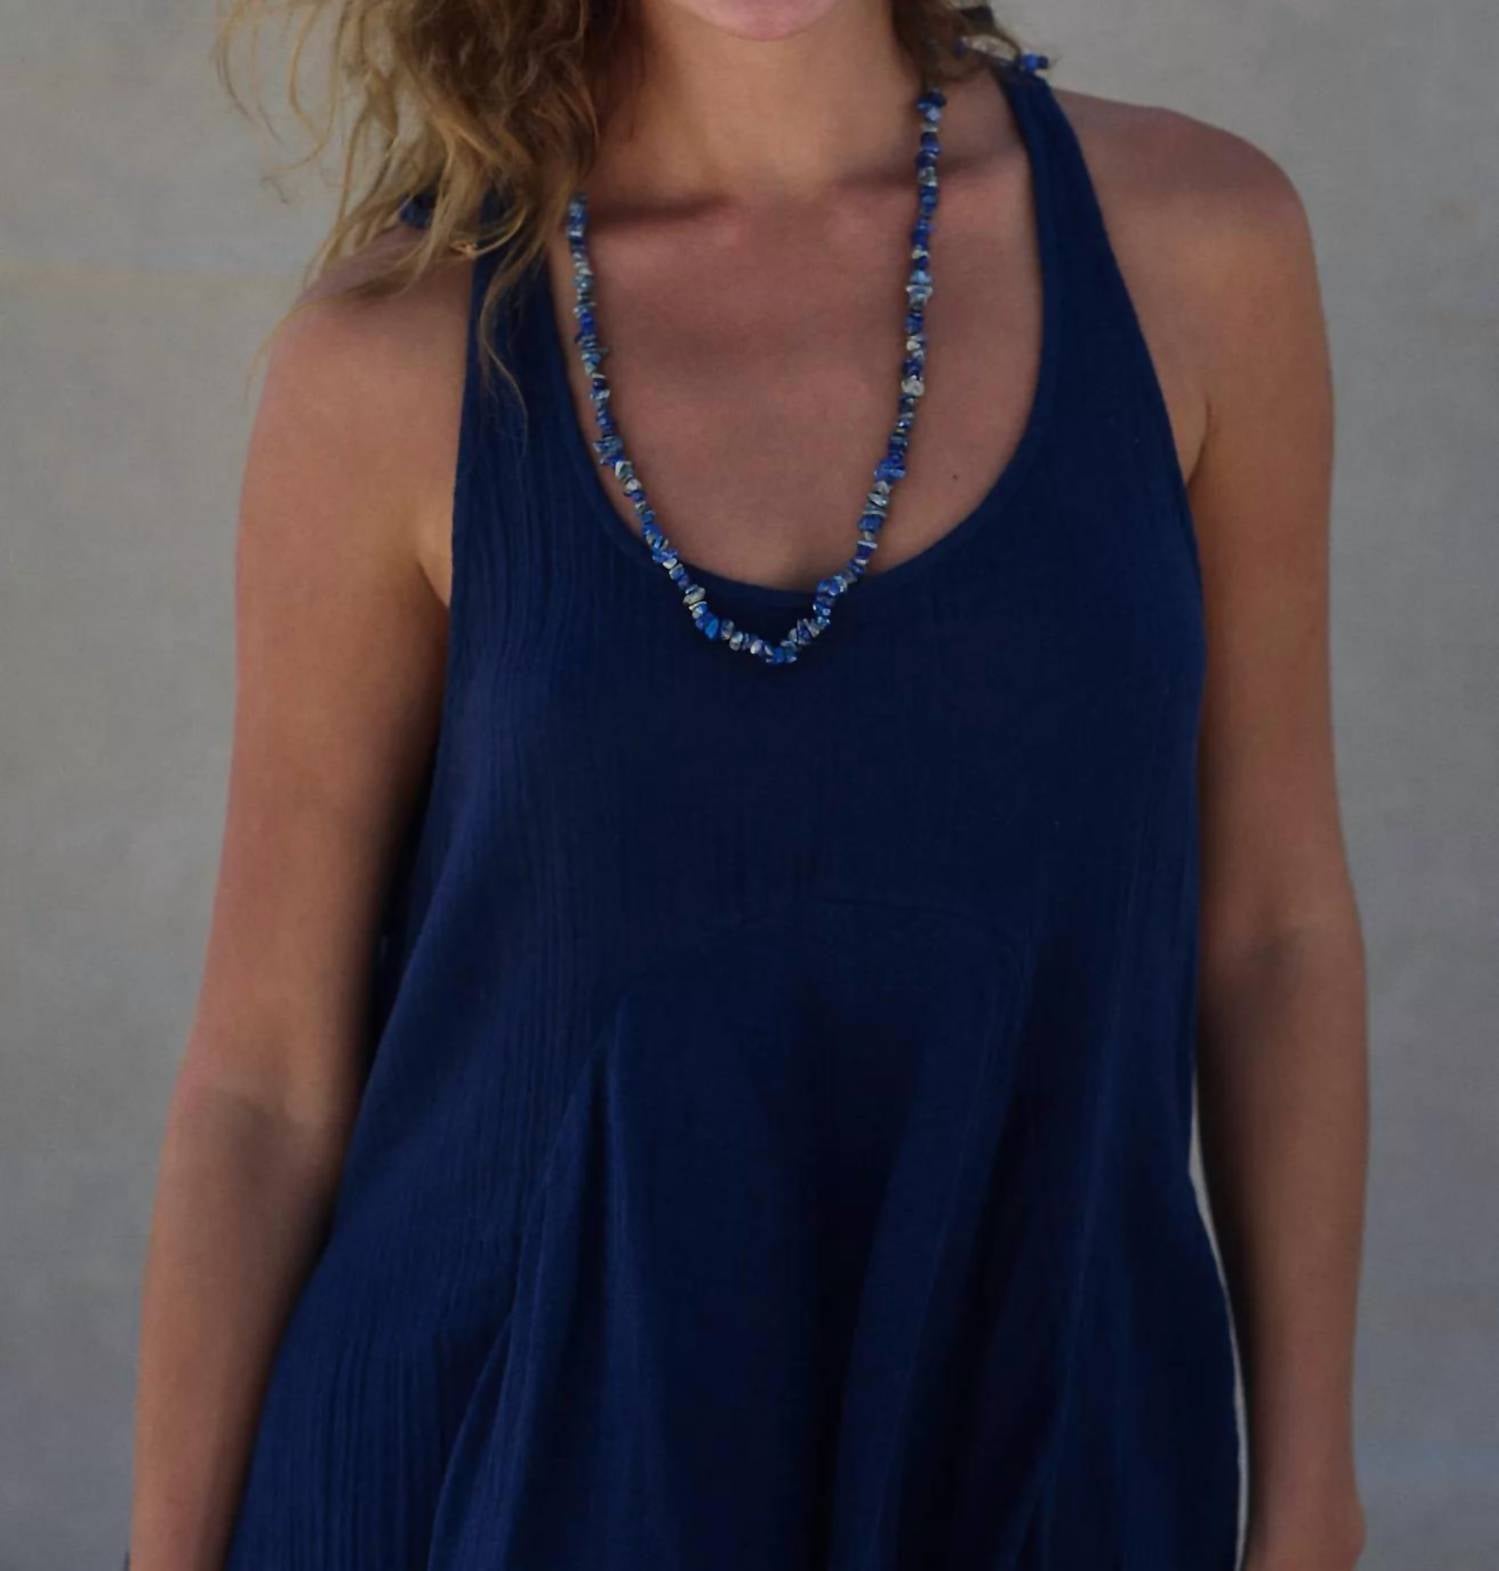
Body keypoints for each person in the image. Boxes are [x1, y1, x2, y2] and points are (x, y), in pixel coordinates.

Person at [124, 0, 1369, 1566]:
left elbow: (1273, 930)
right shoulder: (393, 352)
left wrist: (1312, 1497)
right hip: (485, 1481)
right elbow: (264, 1081)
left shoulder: (1199, 249)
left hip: (1043, 1456)